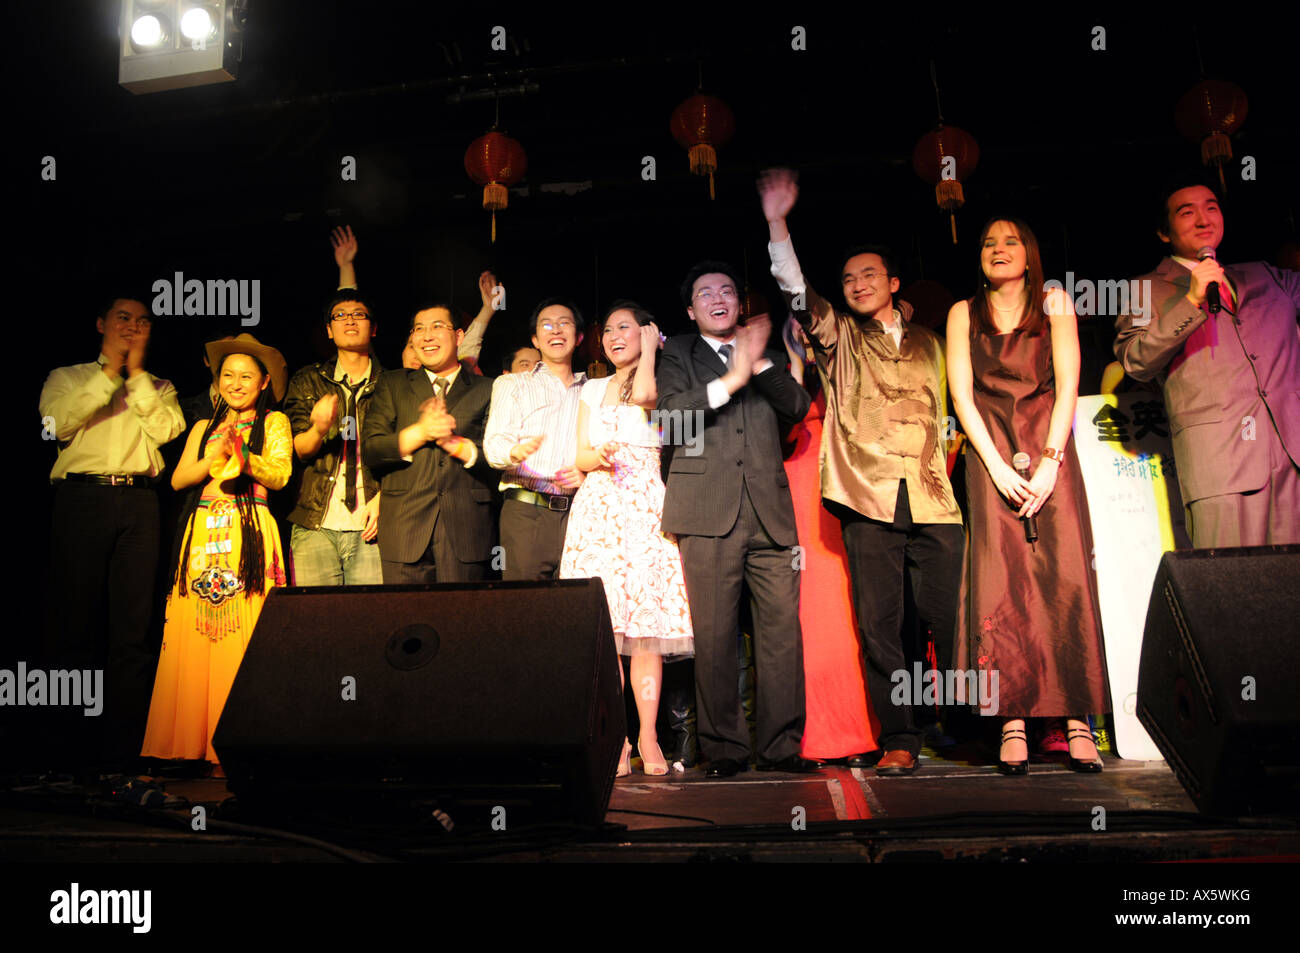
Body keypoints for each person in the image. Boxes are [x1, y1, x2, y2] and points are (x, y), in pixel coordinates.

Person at [761, 169, 964, 776]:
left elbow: (956, 408)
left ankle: (965, 723)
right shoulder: (839, 335)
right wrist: (777, 224)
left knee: (951, 611)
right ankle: (900, 735)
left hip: (933, 496)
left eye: (869, 274)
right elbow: (798, 293)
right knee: (880, 626)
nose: (856, 285)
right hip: (867, 496)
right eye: (848, 279)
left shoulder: (932, 340)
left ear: (894, 282)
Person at [946, 217, 1109, 774]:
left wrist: (1050, 464)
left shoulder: (1054, 302)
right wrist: (995, 466)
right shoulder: (963, 313)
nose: (999, 249)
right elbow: (962, 398)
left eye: (1011, 241)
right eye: (988, 242)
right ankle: (1011, 720)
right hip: (989, 458)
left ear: (1030, 252)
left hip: (1049, 451)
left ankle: (1077, 719)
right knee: (1000, 581)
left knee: (1062, 576)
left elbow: (1069, 383)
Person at [657, 261, 816, 777]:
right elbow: (671, 417)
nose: (718, 298)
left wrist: (761, 364)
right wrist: (731, 379)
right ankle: (723, 751)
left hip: (769, 516)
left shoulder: (766, 357)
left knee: (781, 636)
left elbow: (796, 407)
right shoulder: (678, 351)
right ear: (690, 309)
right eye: (705, 293)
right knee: (716, 635)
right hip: (706, 512)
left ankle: (781, 749)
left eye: (727, 290)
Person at [40, 296, 186, 770]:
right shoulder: (66, 376)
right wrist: (110, 375)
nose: (133, 326)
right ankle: (68, 748)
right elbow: (54, 426)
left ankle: (124, 751)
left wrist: (137, 373)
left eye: (143, 321)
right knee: (74, 623)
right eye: (123, 318)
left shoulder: (160, 385)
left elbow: (167, 430)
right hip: (82, 499)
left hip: (140, 502)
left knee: (133, 629)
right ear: (101, 323)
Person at [1115, 176, 1300, 547]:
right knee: (1229, 593)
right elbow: (1136, 360)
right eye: (1187, 212)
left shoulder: (1265, 275)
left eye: (1211, 207)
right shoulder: (1143, 289)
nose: (1204, 219)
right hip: (1220, 467)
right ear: (1164, 233)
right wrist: (1191, 301)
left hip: (1293, 458)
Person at [140, 334, 292, 769]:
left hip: (249, 533)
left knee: (245, 630)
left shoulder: (275, 422)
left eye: (246, 376)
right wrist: (213, 457)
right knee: (196, 633)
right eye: (228, 375)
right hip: (203, 531)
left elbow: (280, 475)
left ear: (264, 382)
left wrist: (243, 454)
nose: (236, 383)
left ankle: (243, 743)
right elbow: (176, 479)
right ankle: (191, 742)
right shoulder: (202, 426)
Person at [560, 302, 694, 776]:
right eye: (609, 329)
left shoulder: (665, 378)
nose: (615, 336)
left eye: (626, 327)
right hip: (599, 510)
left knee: (645, 635)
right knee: (606, 632)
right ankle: (615, 737)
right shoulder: (592, 389)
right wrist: (597, 454)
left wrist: (654, 353)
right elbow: (578, 454)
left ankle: (649, 737)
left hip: (645, 509)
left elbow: (648, 399)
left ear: (648, 332)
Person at [779, 317, 875, 761]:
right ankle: (811, 735)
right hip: (797, 493)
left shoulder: (855, 368)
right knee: (806, 616)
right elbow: (782, 429)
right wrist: (796, 368)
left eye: (811, 328)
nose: (805, 336)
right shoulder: (778, 373)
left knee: (849, 613)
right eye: (796, 329)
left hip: (845, 495)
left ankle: (860, 732)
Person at [362, 305, 497, 582]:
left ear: (459, 336)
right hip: (404, 529)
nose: (426, 336)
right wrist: (420, 432)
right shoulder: (393, 383)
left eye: (437, 327)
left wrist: (458, 445)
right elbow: (372, 449)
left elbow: (497, 458)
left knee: (462, 621)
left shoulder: (487, 388)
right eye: (419, 329)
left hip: (467, 531)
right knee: (404, 621)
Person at [283, 289, 384, 585]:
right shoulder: (308, 380)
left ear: (374, 328)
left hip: (370, 524)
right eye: (339, 316)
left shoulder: (392, 383)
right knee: (317, 622)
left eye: (358, 314)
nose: (349, 320)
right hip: (316, 523)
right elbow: (300, 450)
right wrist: (318, 427)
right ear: (329, 330)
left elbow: (401, 454)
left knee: (369, 623)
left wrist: (385, 499)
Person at [483, 298, 588, 580]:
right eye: (547, 325)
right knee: (525, 610)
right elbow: (494, 447)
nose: (556, 330)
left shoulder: (594, 390)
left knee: (574, 607)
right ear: (535, 339)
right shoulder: (513, 384)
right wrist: (516, 452)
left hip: (580, 514)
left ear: (578, 337)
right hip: (526, 513)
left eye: (564, 323)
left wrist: (587, 475)